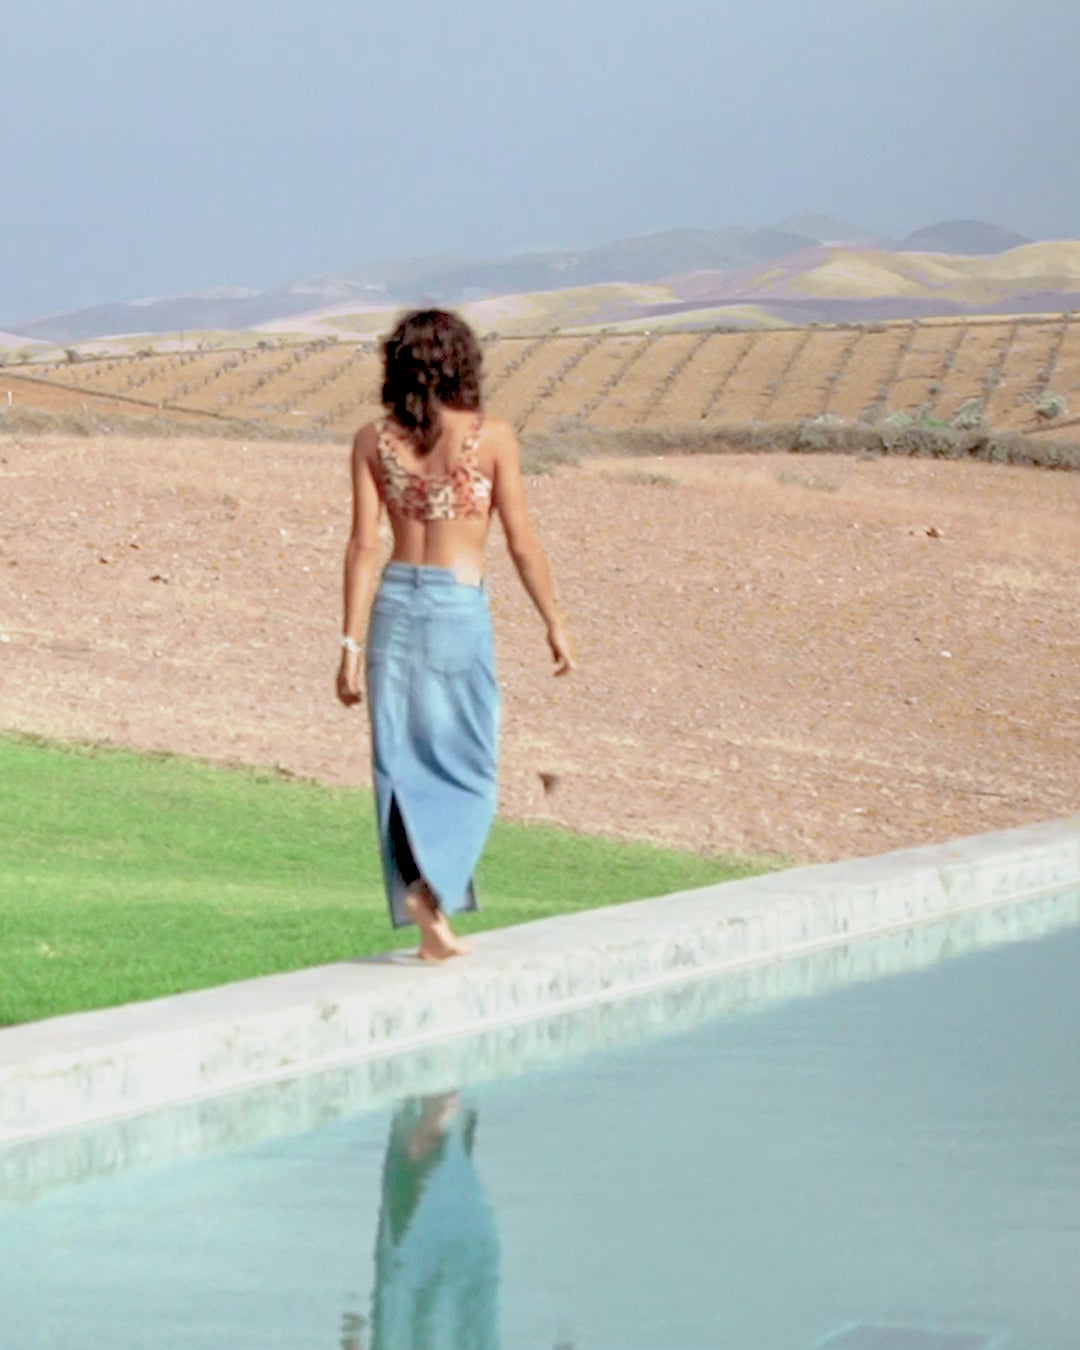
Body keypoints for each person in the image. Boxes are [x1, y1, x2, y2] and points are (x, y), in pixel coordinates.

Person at [336, 308, 574, 961]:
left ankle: (428, 909)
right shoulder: (492, 437)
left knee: (399, 764)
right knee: (471, 763)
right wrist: (553, 620)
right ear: (462, 362)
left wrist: (350, 644)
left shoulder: (372, 441)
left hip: (393, 609)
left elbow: (363, 546)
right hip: (456, 609)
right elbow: (522, 542)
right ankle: (433, 899)